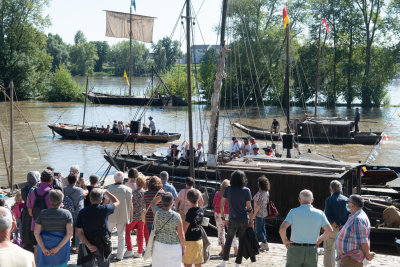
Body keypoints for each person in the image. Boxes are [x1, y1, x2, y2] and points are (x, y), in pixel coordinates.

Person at [279, 189, 333, 267]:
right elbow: (329, 231)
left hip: (295, 248)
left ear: (299, 199)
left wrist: (285, 241)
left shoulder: (293, 212)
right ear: (312, 200)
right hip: (311, 249)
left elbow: (282, 228)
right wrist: (319, 240)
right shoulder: (320, 213)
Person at [218, 170, 254, 267]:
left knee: (229, 240)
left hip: (232, 219)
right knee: (241, 241)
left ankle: (224, 262)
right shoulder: (246, 190)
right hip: (243, 219)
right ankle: (238, 264)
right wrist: (252, 221)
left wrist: (223, 217)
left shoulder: (228, 189)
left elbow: (221, 204)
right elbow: (249, 208)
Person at [76, 188, 120, 267]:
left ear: (90, 198)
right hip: (103, 243)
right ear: (101, 199)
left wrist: (88, 244)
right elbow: (117, 202)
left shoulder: (82, 212)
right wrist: (107, 192)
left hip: (87, 242)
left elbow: (78, 232)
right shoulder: (104, 209)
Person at [34, 190, 73, 267]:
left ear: (49, 200)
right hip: (61, 246)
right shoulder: (67, 213)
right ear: (61, 200)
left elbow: (36, 233)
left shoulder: (42, 213)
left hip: (45, 245)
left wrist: (43, 248)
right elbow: (70, 233)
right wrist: (57, 248)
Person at [335, 195, 375, 267]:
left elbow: (363, 241)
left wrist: (367, 254)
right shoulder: (354, 215)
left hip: (352, 259)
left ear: (353, 205)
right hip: (349, 258)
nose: (347, 204)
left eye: (348, 202)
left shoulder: (358, 219)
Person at [150, 193, 185, 267]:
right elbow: (180, 234)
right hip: (174, 245)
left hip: (159, 244)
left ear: (162, 202)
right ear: (172, 203)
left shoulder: (157, 212)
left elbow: (152, 203)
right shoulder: (177, 216)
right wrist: (183, 246)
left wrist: (161, 196)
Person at [27, 169, 54, 259]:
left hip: (35, 227)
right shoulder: (53, 193)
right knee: (50, 250)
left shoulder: (32, 192)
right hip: (50, 228)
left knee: (36, 248)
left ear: (41, 179)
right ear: (52, 180)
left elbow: (30, 213)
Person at [105, 171, 132, 261]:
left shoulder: (109, 190)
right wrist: (130, 216)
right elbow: (131, 205)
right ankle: (120, 256)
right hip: (123, 214)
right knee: (121, 236)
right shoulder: (128, 190)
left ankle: (107, 253)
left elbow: (105, 204)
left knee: (107, 235)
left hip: (111, 215)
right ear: (123, 179)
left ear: (114, 179)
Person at [324, 180, 349, 267]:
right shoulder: (347, 200)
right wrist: (343, 225)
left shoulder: (329, 200)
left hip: (332, 228)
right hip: (344, 228)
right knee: (341, 250)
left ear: (331, 189)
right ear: (341, 189)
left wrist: (336, 225)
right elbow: (349, 215)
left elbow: (327, 215)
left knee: (328, 249)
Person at [124, 176, 149, 258]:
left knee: (127, 231)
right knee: (140, 233)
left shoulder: (132, 193)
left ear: (136, 184)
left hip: (134, 216)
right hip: (142, 216)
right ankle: (139, 251)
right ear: (143, 184)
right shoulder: (145, 193)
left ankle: (130, 249)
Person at [212, 179, 237, 257]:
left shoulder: (217, 193)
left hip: (218, 213)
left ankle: (223, 250)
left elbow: (214, 204)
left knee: (220, 232)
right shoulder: (232, 194)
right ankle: (236, 250)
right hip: (228, 214)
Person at [63, 173, 88, 251]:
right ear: (76, 180)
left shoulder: (64, 189)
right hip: (77, 212)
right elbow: (86, 192)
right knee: (78, 230)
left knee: (67, 229)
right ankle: (77, 247)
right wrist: (83, 184)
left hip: (67, 212)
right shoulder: (79, 190)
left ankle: (67, 246)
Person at [182, 189, 204, 267]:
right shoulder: (201, 210)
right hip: (199, 240)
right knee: (198, 263)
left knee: (187, 263)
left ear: (188, 199)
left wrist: (180, 238)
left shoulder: (190, 212)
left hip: (189, 241)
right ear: (198, 198)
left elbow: (185, 228)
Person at [21, 171, 40, 252]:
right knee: (32, 228)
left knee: (26, 227)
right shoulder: (36, 190)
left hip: (25, 211)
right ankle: (33, 245)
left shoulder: (24, 189)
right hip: (34, 211)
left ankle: (26, 244)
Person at [251, 176, 270, 252]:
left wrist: (253, 215)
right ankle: (264, 244)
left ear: (260, 184)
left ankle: (265, 243)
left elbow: (258, 205)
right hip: (264, 212)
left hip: (259, 213)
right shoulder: (266, 192)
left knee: (258, 231)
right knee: (263, 229)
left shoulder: (260, 193)